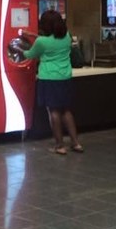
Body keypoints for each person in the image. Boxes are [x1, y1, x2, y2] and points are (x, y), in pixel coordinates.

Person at [22, 9, 83, 155]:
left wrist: (18, 49)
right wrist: (32, 35)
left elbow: (30, 54)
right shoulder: (67, 36)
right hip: (65, 78)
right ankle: (76, 143)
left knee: (54, 111)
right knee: (66, 110)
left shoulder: (42, 42)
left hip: (49, 78)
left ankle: (60, 145)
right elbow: (51, 41)